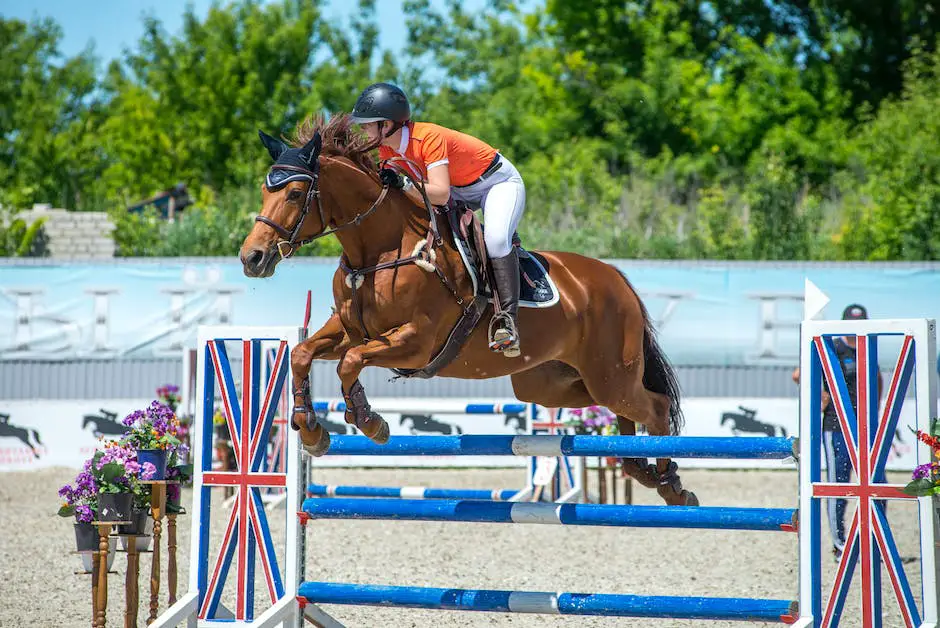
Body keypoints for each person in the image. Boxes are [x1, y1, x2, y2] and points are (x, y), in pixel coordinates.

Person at [348, 82, 526, 358]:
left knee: (496, 239)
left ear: (387, 125)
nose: (362, 131)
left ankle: (507, 320)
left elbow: (440, 194)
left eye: (367, 125)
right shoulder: (387, 151)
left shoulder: (427, 138)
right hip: (458, 190)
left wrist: (404, 183)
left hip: (495, 182)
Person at [791, 303, 882, 561]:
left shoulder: (868, 346)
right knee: (838, 483)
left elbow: (877, 380)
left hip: (866, 425)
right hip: (836, 424)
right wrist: (819, 393)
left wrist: (876, 411)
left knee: (878, 483)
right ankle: (840, 543)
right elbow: (798, 374)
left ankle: (874, 541)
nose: (856, 328)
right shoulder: (833, 347)